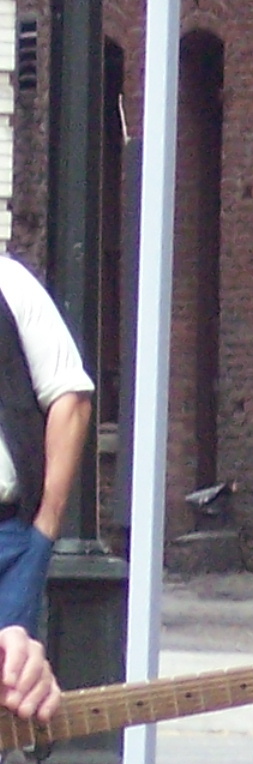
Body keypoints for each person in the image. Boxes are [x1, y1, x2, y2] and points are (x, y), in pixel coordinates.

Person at [0, 256, 94, 724]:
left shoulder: (9, 284)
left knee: (10, 693)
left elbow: (70, 397)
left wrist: (45, 526)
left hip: (10, 538)